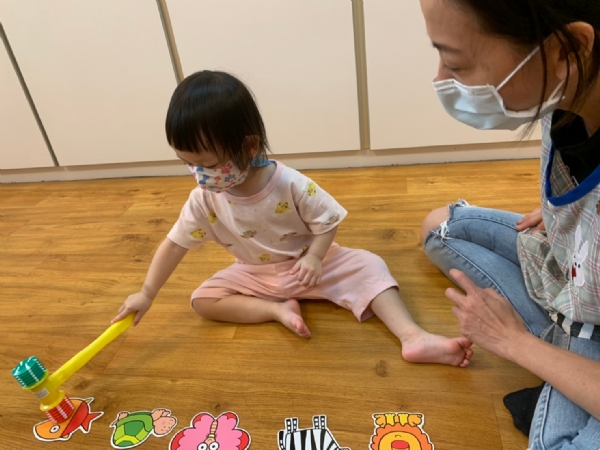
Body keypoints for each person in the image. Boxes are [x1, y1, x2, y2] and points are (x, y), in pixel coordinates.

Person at [112, 70, 473, 367]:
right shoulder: (203, 199)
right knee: (203, 300)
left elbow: (328, 221)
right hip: (254, 274)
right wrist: (146, 293)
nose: (199, 174)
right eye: (187, 163)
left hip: (312, 265)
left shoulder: (289, 183)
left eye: (207, 163)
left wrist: (315, 257)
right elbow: (174, 245)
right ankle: (275, 311)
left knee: (370, 266)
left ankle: (413, 337)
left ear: (249, 146)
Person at [418, 0, 600, 447]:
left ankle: (560, 348)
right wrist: (569, 217)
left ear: (567, 49)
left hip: (587, 309)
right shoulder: (568, 95)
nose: (441, 79)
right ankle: (562, 348)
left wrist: (513, 342)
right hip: (576, 279)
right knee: (439, 226)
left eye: (455, 62)